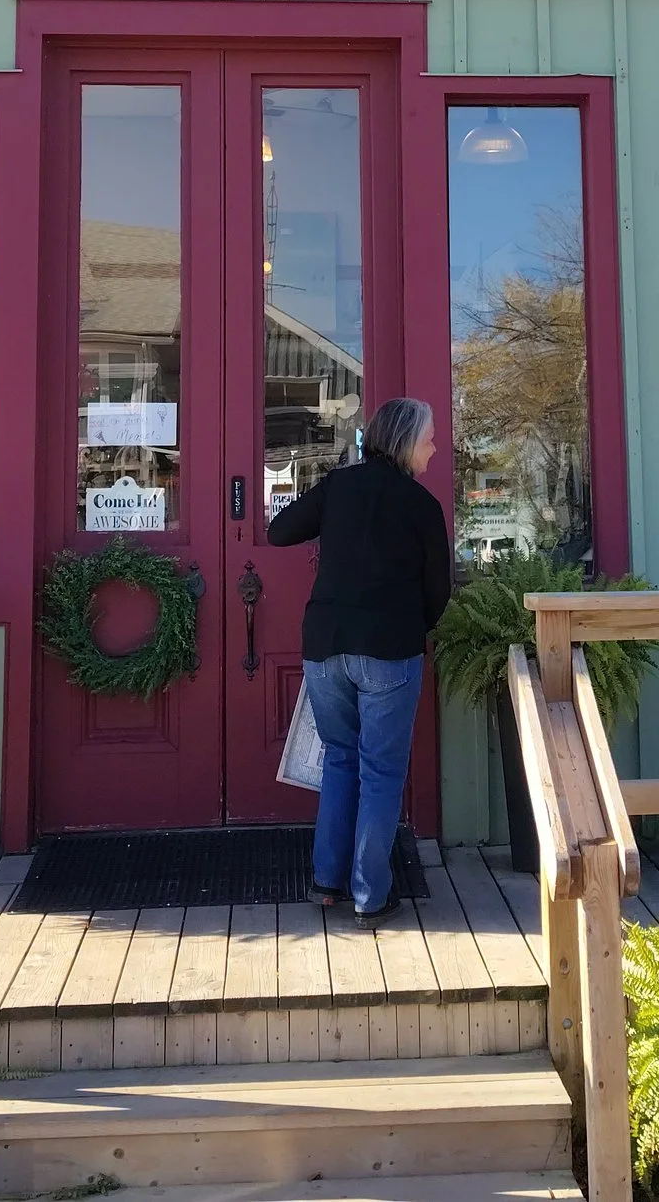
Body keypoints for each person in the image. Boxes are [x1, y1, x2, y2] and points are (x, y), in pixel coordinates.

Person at [270, 396, 451, 926]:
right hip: (388, 651)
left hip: (326, 647)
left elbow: (278, 531)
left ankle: (327, 880)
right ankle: (371, 896)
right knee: (380, 771)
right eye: (428, 439)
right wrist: (411, 628)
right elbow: (438, 592)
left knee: (341, 760)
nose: (435, 448)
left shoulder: (339, 487)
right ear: (402, 442)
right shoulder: (421, 505)